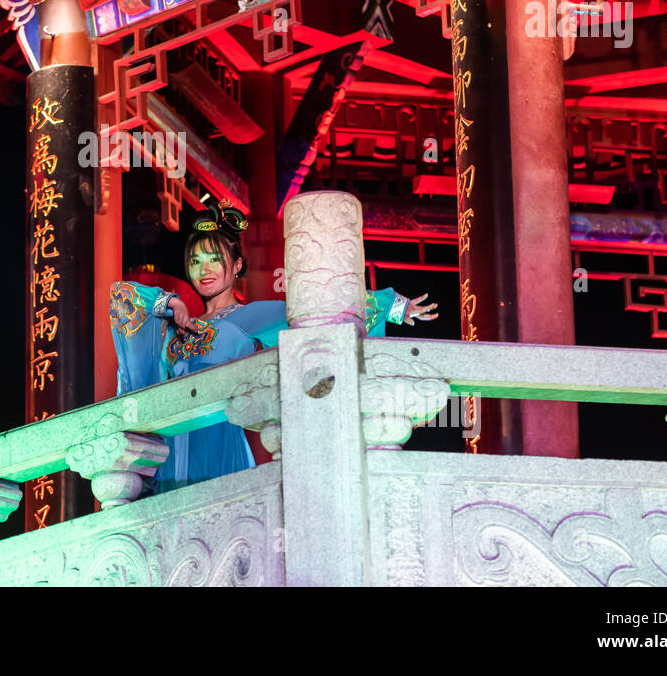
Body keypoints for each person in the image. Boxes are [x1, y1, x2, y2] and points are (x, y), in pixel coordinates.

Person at [108, 201, 437, 492]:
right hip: (174, 447)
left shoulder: (251, 316)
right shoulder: (176, 328)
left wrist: (391, 305)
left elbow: (315, 309)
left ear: (236, 266)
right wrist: (170, 301)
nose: (203, 269)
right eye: (195, 261)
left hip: (218, 440)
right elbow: (121, 298)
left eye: (213, 259)